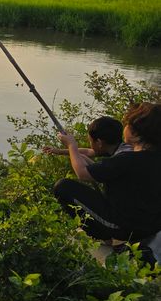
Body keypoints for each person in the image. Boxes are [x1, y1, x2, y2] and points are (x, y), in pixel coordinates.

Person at [53, 103, 161, 251]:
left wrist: (72, 145)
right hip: (152, 226)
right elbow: (110, 173)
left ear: (136, 134)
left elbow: (82, 173)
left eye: (128, 125)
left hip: (125, 227)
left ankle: (102, 237)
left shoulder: (127, 159)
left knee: (63, 187)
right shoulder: (151, 157)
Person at [43, 116, 131, 160]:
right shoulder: (119, 148)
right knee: (83, 158)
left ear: (99, 143)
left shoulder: (119, 160)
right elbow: (88, 152)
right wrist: (59, 151)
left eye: (91, 141)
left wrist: (71, 144)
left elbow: (82, 173)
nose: (90, 144)